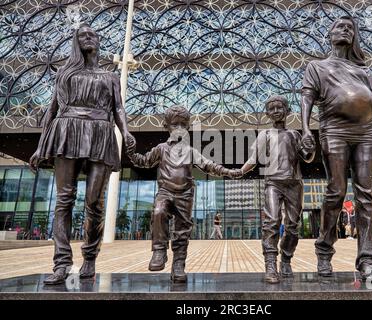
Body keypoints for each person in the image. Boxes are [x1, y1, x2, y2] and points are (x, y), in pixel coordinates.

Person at [29, 24, 136, 284]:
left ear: (98, 41)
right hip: (67, 131)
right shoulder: (65, 72)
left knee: (94, 202)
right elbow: (52, 110)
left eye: (92, 34)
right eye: (82, 35)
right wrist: (41, 145)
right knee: (64, 199)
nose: (87, 38)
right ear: (76, 42)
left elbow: (118, 109)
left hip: (100, 132)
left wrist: (126, 132)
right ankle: (62, 263)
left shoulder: (109, 76)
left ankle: (90, 256)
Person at [301, 16, 372, 280]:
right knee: (336, 190)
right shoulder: (317, 67)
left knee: (366, 193)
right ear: (330, 34)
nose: (345, 29)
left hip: (370, 132)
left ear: (354, 37)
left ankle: (368, 258)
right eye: (339, 27)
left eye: (350, 28)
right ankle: (324, 250)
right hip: (334, 129)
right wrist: (306, 129)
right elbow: (307, 97)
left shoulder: (364, 71)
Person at [128, 105, 241, 282]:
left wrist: (228, 172)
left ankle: (178, 265)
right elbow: (144, 161)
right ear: (166, 126)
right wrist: (131, 153)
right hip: (165, 192)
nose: (179, 129)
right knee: (158, 211)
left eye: (183, 125)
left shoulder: (190, 151)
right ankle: (159, 251)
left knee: (182, 231)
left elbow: (208, 165)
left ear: (187, 127)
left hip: (185, 195)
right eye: (175, 125)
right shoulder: (161, 149)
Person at [239, 95, 314, 283]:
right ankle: (270, 264)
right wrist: (239, 171)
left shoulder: (295, 135)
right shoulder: (264, 135)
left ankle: (286, 259)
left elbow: (307, 157)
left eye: (279, 107)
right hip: (273, 182)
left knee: (292, 226)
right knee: (271, 222)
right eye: (271, 109)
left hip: (294, 183)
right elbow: (253, 160)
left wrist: (311, 147)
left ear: (287, 111)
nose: (276, 111)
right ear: (267, 113)